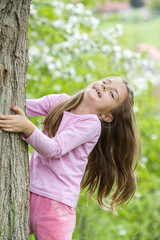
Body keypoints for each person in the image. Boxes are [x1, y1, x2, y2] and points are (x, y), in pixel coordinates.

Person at [0, 76, 141, 240]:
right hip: (27, 192)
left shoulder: (91, 124)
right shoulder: (60, 101)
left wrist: (27, 128)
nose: (104, 87)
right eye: (105, 82)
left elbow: (54, 149)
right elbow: (17, 105)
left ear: (107, 116)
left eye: (112, 93)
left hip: (55, 205)